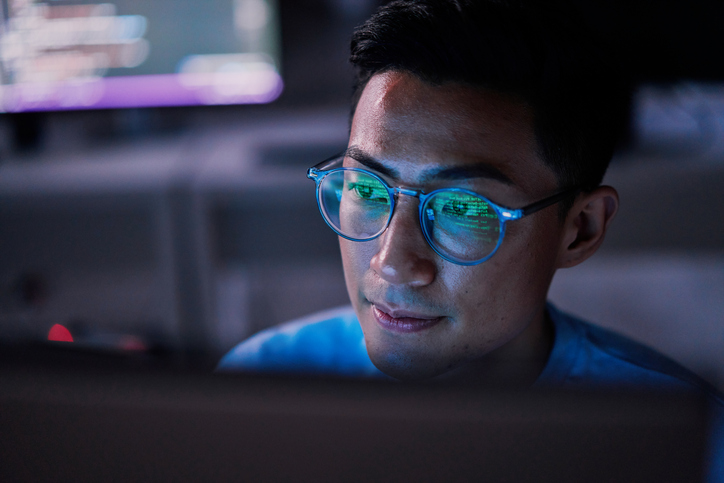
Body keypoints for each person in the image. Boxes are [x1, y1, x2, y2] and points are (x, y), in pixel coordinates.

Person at [219, 0, 722, 477]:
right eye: (366, 187)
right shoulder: (252, 391)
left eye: (462, 208)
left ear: (581, 228)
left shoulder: (685, 446)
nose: (393, 264)